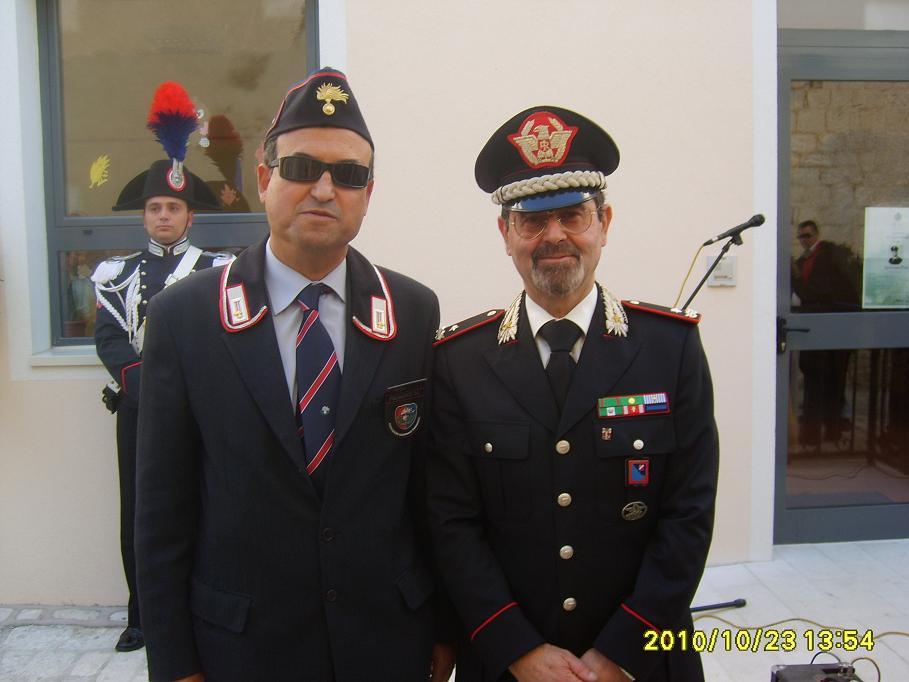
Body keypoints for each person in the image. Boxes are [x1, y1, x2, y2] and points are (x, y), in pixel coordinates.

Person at [134, 68, 454, 682]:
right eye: (303, 168)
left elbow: (427, 491)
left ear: (368, 193)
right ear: (264, 179)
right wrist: (174, 664)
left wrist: (443, 627)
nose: (324, 190)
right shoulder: (185, 317)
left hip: (385, 642)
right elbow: (161, 513)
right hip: (244, 649)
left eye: (349, 175)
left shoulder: (412, 310)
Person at [428, 106, 719, 681]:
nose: (554, 236)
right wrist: (517, 650)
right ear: (506, 234)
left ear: (604, 223)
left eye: (572, 215)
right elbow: (449, 523)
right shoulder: (458, 362)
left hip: (642, 660)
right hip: (508, 664)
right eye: (533, 221)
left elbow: (689, 515)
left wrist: (623, 652)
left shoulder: (670, 349)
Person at [93, 82, 230, 654]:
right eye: (155, 208)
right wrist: (146, 389)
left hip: (198, 408)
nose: (164, 215)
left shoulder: (217, 269)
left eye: (173, 207)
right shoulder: (115, 275)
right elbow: (109, 339)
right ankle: (142, 616)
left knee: (202, 503)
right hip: (139, 408)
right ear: (144, 216)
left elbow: (221, 340)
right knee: (140, 512)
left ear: (189, 215)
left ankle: (200, 607)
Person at [791, 219, 859, 445]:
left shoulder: (828, 257)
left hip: (834, 328)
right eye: (801, 237)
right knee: (816, 383)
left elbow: (817, 292)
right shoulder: (805, 261)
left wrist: (796, 280)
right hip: (816, 330)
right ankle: (816, 435)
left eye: (808, 235)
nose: (804, 240)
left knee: (833, 383)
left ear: (817, 234)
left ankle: (830, 432)